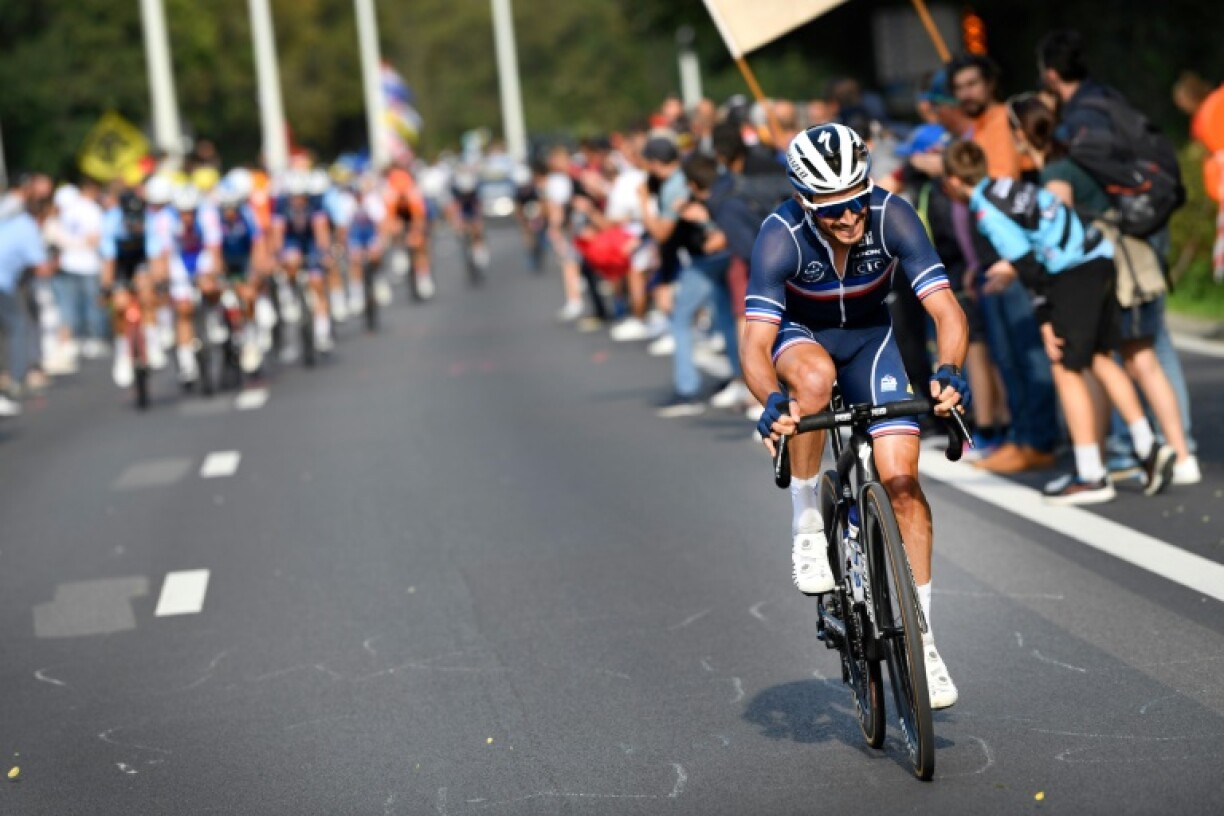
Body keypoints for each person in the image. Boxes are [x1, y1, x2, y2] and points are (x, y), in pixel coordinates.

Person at [742, 123, 968, 709]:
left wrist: (948, 369)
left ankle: (924, 639)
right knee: (813, 383)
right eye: (831, 210)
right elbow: (753, 345)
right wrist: (771, 399)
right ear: (803, 201)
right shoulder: (779, 236)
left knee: (904, 486)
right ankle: (807, 526)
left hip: (871, 342)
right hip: (802, 337)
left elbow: (946, 311)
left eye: (855, 202)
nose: (848, 219)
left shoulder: (891, 215)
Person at [944, 139, 1177, 503]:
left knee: (1063, 366)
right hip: (1098, 254)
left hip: (1071, 271)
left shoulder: (985, 209)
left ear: (954, 181)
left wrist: (1044, 319)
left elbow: (1028, 264)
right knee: (1101, 357)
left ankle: (1091, 475)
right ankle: (1149, 447)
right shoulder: (1006, 186)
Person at [1008, 94, 1197, 486]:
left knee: (1107, 359)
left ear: (1021, 134)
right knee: (1121, 358)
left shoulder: (1056, 171)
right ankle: (1170, 454)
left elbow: (1057, 235)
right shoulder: (1074, 157)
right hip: (1126, 260)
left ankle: (1145, 454)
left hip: (1103, 271)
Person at [947, 53, 1059, 474]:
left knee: (1026, 352)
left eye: (973, 84)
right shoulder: (975, 127)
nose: (966, 93)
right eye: (959, 87)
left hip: (1011, 259)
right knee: (1006, 356)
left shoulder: (1001, 125)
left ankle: (1038, 440)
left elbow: (1002, 191)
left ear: (990, 83)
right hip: (987, 258)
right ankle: (1022, 437)